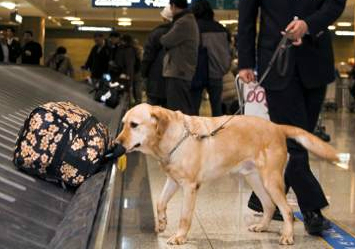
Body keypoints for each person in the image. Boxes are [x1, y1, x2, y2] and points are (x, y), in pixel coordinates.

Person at [238, 0, 346, 235]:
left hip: (315, 62)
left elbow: (336, 4)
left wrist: (309, 24)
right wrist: (245, 61)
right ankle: (312, 209)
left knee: (301, 138)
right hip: (277, 62)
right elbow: (246, 16)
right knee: (295, 142)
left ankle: (262, 199)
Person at [190, 0, 231, 116]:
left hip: (196, 74)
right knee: (217, 109)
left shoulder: (194, 28)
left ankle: (195, 133)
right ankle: (219, 133)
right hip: (217, 73)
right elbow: (228, 52)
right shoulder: (222, 29)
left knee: (194, 110)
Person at [160, 0, 199, 114]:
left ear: (173, 6)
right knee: (180, 107)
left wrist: (162, 36)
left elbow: (166, 40)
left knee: (177, 110)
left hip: (178, 71)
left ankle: (182, 132)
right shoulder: (188, 20)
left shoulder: (184, 22)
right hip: (181, 71)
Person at [141, 5, 173, 107]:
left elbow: (147, 57)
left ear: (164, 18)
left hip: (155, 81)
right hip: (173, 83)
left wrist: (144, 73)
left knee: (152, 112)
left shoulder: (156, 33)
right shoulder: (183, 33)